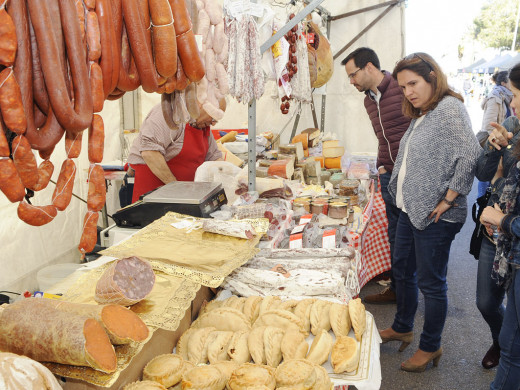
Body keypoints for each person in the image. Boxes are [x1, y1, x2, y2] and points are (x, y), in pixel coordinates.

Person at [378, 52, 481, 372]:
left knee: (431, 283)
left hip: (437, 216)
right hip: (411, 209)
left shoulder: (450, 108)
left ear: (432, 78)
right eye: (403, 86)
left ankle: (430, 346)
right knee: (402, 270)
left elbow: (470, 155)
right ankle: (402, 326)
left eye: (413, 83)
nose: (408, 91)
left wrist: (449, 198)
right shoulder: (422, 112)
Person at [342, 47, 411, 305]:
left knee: (409, 240)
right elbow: (384, 137)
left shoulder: (401, 90)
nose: (351, 81)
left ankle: (408, 297)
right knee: (393, 235)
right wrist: (381, 166)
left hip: (409, 178)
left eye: (353, 75)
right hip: (388, 175)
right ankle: (396, 289)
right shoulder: (368, 99)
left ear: (369, 67)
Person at [480, 62, 520, 390]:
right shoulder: (511, 122)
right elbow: (482, 171)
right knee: (486, 302)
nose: (513, 103)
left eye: (518, 95)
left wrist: (502, 219)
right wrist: (498, 146)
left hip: (508, 235)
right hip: (499, 238)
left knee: (512, 345)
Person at [127, 100, 225, 203]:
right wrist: (176, 188)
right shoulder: (171, 113)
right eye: (214, 117)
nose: (213, 124)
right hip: (154, 194)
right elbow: (150, 152)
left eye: (217, 120)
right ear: (201, 105)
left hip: (183, 197)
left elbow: (215, 158)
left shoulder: (203, 127)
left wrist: (230, 176)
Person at [476, 71, 513, 198]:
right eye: (508, 82)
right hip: (494, 141)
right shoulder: (495, 97)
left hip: (503, 142)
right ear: (503, 83)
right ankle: (481, 199)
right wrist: (498, 135)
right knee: (486, 176)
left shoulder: (507, 97)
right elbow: (488, 125)